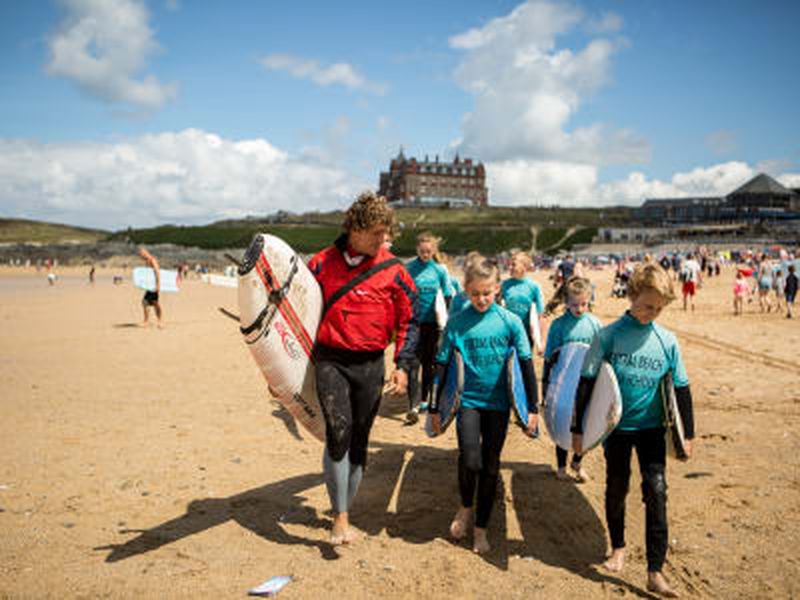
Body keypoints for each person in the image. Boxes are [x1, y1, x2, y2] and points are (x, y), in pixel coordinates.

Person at [571, 263, 695, 598]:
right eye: (646, 306)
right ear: (632, 295)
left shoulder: (666, 340)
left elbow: (681, 389)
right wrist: (578, 428)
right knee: (617, 485)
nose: (651, 313)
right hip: (618, 429)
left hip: (653, 428)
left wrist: (689, 434)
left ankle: (655, 570)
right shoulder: (608, 335)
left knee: (656, 492)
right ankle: (618, 546)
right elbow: (586, 383)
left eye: (657, 308)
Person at [307, 191, 418, 545]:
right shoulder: (320, 264)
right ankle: (340, 518)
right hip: (330, 360)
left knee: (359, 440)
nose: (383, 240)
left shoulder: (394, 269)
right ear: (356, 227)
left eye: (387, 234)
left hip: (371, 364)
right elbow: (294, 316)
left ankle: (344, 506)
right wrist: (280, 370)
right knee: (338, 433)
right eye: (377, 233)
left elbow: (410, 320)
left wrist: (402, 364)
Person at [429, 259, 538, 554]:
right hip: (468, 402)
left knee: (491, 466)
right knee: (470, 459)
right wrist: (434, 407)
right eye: (476, 293)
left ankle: (481, 529)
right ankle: (465, 507)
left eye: (487, 293)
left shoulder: (510, 322)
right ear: (465, 290)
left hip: (499, 404)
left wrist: (533, 408)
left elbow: (526, 366)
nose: (481, 299)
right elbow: (441, 366)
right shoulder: (457, 322)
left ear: (497, 289)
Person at [542, 276, 601, 482]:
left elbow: (601, 357)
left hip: (587, 383)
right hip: (563, 382)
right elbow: (550, 358)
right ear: (566, 302)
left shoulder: (594, 324)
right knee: (562, 421)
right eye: (575, 304)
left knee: (585, 422)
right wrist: (545, 386)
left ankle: (577, 461)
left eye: (584, 304)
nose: (579, 308)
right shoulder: (558, 325)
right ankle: (560, 466)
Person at [405, 232, 454, 424]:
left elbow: (448, 296)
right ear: (417, 249)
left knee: (429, 364)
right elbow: (402, 294)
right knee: (412, 364)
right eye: (422, 250)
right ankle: (413, 405)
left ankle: (425, 400)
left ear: (433, 250)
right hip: (413, 323)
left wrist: (449, 323)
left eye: (428, 251)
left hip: (434, 325)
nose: (425, 254)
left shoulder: (440, 271)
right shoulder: (409, 268)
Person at [500, 251, 545, 354]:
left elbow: (541, 315)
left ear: (524, 266)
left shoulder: (534, 287)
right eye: (509, 264)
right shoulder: (504, 285)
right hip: (508, 333)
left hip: (527, 333)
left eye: (513, 264)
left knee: (524, 362)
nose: (509, 267)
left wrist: (541, 341)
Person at [138, 247, 163, 328]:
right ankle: (151, 321)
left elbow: (157, 271)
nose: (140, 256)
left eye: (141, 254)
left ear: (145, 253)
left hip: (154, 286)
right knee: (150, 303)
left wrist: (158, 285)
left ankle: (156, 321)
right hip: (150, 286)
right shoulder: (147, 261)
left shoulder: (152, 260)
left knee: (149, 302)